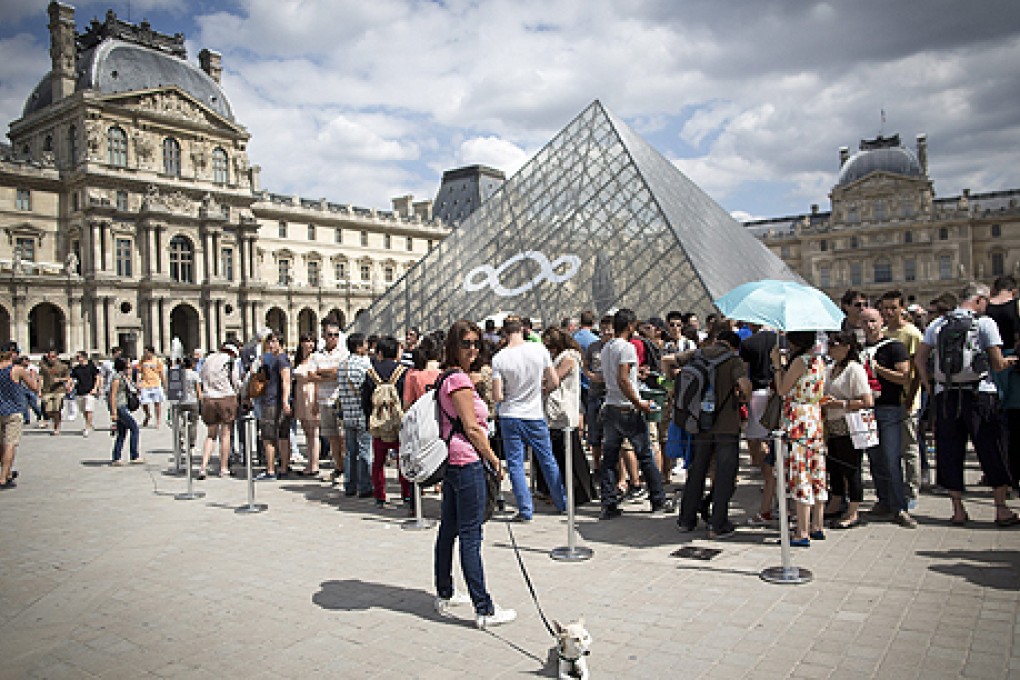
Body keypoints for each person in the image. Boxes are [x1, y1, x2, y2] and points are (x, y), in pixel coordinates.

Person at [432, 319, 515, 629]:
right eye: (466, 343)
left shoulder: (447, 377)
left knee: (449, 530)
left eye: (476, 344)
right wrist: (495, 460)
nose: (472, 349)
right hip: (467, 461)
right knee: (470, 535)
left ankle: (445, 591)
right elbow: (472, 428)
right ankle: (484, 608)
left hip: (453, 460)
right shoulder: (459, 381)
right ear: (453, 346)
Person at [916, 282, 1020, 526]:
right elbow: (997, 363)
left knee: (950, 451)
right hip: (979, 393)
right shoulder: (984, 323)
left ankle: (958, 509)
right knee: (991, 449)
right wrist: (1011, 361)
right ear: (979, 300)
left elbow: (920, 359)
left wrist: (930, 386)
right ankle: (1001, 509)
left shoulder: (938, 323)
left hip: (946, 395)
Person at [492, 316, 567, 522]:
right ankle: (561, 502)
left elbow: (497, 395)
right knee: (547, 459)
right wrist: (541, 389)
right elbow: (554, 381)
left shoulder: (499, 358)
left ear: (505, 332)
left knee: (515, 464)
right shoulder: (539, 350)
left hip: (510, 414)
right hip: (534, 413)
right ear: (523, 330)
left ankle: (525, 510)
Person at [598, 308, 670, 520]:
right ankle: (658, 499)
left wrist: (635, 374)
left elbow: (618, 375)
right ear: (630, 326)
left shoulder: (607, 347)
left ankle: (608, 502)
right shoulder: (627, 348)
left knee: (609, 458)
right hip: (628, 409)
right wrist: (639, 403)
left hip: (611, 406)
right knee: (645, 455)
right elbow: (622, 379)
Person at [678, 331, 750, 538]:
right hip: (726, 425)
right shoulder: (733, 361)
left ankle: (686, 519)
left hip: (700, 422)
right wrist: (744, 397)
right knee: (725, 473)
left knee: (697, 470)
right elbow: (744, 386)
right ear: (734, 347)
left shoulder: (698, 354)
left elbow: (668, 361)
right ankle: (717, 524)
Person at [859, 307, 917, 528]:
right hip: (866, 409)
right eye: (865, 322)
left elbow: (904, 377)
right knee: (874, 458)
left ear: (881, 321)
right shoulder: (859, 349)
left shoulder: (894, 347)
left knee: (891, 458)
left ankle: (899, 507)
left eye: (873, 321)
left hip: (889, 408)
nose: (869, 326)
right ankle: (883, 501)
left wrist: (877, 369)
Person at [771, 330, 827, 546]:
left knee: (799, 470)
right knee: (816, 469)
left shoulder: (801, 361)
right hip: (813, 416)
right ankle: (817, 525)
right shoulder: (819, 360)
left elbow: (782, 389)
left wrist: (777, 366)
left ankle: (802, 531)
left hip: (798, 418)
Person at [821, 331, 874, 529]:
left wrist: (841, 404)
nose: (830, 348)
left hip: (850, 426)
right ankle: (835, 502)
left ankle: (853, 510)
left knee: (851, 468)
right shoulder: (832, 368)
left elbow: (867, 401)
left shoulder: (854, 369)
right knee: (834, 467)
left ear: (847, 347)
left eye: (834, 345)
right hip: (832, 426)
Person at [879, 290, 924, 509]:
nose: (889, 312)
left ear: (902, 308)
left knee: (909, 447)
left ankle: (911, 489)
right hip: (887, 399)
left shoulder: (912, 334)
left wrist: (911, 398)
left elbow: (917, 369)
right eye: (885, 308)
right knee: (889, 451)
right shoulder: (883, 332)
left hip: (907, 398)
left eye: (893, 308)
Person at [541, 327, 595, 505]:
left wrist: (543, 381)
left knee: (570, 456)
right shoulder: (562, 358)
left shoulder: (568, 359)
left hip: (563, 411)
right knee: (563, 454)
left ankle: (579, 492)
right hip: (558, 411)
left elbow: (553, 381)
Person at [361, 335, 409, 507]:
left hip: (379, 423)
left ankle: (380, 494)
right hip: (398, 424)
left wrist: (370, 418)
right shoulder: (403, 372)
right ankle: (406, 493)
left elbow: (365, 400)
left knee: (379, 462)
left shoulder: (371, 373)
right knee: (402, 460)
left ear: (379, 352)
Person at [740, 324, 779, 525]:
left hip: (756, 392)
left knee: (759, 439)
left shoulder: (748, 343)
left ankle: (767, 475)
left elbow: (744, 372)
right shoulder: (780, 341)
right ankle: (772, 482)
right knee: (773, 440)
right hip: (776, 393)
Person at [336, 333, 373, 498]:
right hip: (362, 414)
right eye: (365, 344)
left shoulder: (342, 365)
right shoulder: (364, 365)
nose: (367, 346)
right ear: (358, 347)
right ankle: (365, 486)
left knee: (351, 452)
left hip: (348, 414)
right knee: (365, 451)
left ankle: (350, 485)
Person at [311, 322, 348, 484]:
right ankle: (339, 468)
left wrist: (321, 372)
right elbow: (311, 375)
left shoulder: (343, 353)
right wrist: (330, 374)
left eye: (336, 335)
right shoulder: (317, 355)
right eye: (330, 334)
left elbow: (339, 373)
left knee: (343, 438)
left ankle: (346, 469)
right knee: (332, 437)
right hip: (324, 399)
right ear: (323, 336)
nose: (333, 338)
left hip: (340, 400)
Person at [199, 341, 241, 478]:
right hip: (225, 397)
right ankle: (223, 468)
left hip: (208, 398)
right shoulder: (230, 361)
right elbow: (235, 381)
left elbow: (201, 378)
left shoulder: (208, 359)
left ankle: (203, 467)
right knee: (225, 434)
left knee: (211, 435)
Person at [255, 332, 292, 480]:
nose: (271, 345)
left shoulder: (281, 360)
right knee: (283, 436)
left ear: (281, 344)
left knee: (268, 436)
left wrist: (285, 400)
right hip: (275, 400)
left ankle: (271, 470)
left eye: (274, 341)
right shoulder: (277, 358)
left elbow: (286, 381)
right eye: (270, 342)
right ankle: (283, 468)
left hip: (273, 402)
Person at [0, 350, 40, 488]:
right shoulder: (17, 370)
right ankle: (3, 478)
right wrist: (33, 377)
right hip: (13, 411)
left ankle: (8, 473)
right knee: (10, 444)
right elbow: (33, 387)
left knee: (1, 444)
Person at [292, 333, 322, 477]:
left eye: (312, 341)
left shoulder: (316, 358)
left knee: (314, 431)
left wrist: (316, 401)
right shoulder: (299, 359)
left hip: (311, 393)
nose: (310, 344)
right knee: (306, 431)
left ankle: (315, 464)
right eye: (307, 341)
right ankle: (309, 463)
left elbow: (317, 381)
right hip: (300, 394)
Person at [108, 357, 142, 465]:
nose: (130, 368)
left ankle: (116, 457)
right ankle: (134, 455)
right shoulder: (117, 377)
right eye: (128, 367)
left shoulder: (124, 376)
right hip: (120, 406)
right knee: (134, 428)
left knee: (122, 433)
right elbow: (112, 395)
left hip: (124, 405)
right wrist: (113, 413)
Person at [70, 351, 102, 437]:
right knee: (83, 410)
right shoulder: (76, 368)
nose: (77, 358)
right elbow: (73, 379)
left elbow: (98, 377)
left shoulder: (91, 366)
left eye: (78, 357)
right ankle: (89, 423)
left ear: (83, 357)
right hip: (79, 391)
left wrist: (96, 388)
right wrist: (71, 387)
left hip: (90, 391)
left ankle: (87, 427)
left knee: (89, 409)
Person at [39, 350, 70, 436]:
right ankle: (55, 421)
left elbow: (68, 378)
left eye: (53, 357)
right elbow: (40, 378)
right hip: (47, 390)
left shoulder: (63, 366)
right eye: (49, 357)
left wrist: (60, 380)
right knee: (48, 411)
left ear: (56, 357)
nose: (51, 359)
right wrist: (39, 390)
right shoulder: (44, 367)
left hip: (59, 390)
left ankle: (57, 427)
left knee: (56, 409)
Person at [177, 356, 202, 464]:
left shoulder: (179, 374)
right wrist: (201, 401)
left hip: (180, 401)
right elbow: (198, 390)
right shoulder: (194, 374)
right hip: (192, 401)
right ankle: (192, 444)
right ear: (192, 364)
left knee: (182, 422)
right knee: (193, 423)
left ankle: (182, 439)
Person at [135, 346, 167, 429]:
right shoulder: (142, 360)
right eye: (144, 352)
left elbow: (161, 373)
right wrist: (138, 382)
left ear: (151, 352)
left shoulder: (157, 361)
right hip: (145, 383)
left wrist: (164, 384)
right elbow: (139, 371)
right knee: (144, 402)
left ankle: (158, 421)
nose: (145, 353)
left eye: (146, 352)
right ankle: (148, 414)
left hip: (155, 383)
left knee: (157, 403)